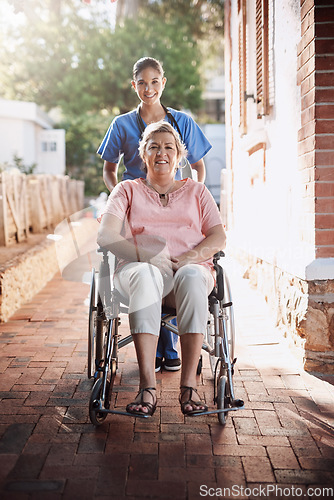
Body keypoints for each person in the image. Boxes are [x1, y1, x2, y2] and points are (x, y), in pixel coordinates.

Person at [97, 122, 226, 417]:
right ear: (143, 155)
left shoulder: (198, 192)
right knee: (146, 274)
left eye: (169, 147)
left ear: (180, 155)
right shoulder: (126, 189)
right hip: (138, 272)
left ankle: (189, 386)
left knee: (193, 276)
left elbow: (218, 237)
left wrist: (191, 257)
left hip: (187, 273)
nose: (161, 153)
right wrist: (145, 256)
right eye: (153, 146)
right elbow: (106, 236)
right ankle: (147, 387)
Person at [97, 57, 212, 373]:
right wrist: (118, 200)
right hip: (136, 206)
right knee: (147, 261)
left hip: (174, 201)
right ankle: (162, 352)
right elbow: (110, 169)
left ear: (164, 83)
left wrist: (187, 200)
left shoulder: (183, 122)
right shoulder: (121, 125)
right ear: (134, 85)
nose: (149, 88)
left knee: (176, 255)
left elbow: (198, 167)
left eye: (155, 82)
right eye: (142, 83)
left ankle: (172, 348)